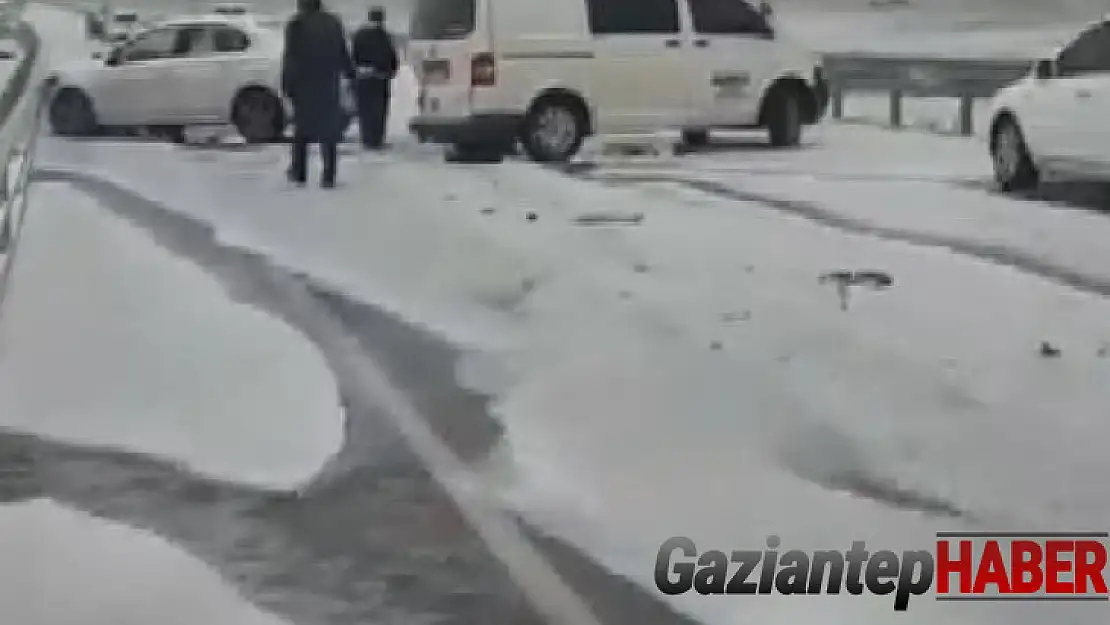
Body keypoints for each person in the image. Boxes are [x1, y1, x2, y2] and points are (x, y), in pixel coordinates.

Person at [281, 0, 354, 188]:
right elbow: (342, 51)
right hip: (328, 83)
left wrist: (287, 84)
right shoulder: (333, 22)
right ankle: (329, 175)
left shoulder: (296, 24)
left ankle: (299, 172)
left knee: (301, 129)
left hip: (304, 83)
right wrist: (349, 73)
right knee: (329, 130)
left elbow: (291, 56)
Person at [350, 6, 399, 150]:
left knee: (365, 109)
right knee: (379, 109)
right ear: (382, 19)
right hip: (380, 77)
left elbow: (354, 55)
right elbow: (391, 56)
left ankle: (367, 138)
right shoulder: (385, 36)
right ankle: (377, 139)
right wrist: (391, 71)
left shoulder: (359, 35)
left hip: (363, 76)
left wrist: (357, 69)